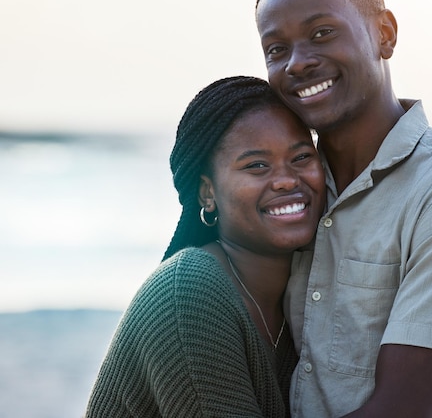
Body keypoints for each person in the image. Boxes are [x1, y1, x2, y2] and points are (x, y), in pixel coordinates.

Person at [255, 0, 432, 418]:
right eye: (276, 49)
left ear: (385, 33)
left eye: (322, 33)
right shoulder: (289, 194)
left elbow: (398, 411)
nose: (297, 63)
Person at [85, 76, 326, 417]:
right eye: (257, 165)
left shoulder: (308, 294)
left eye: (301, 157)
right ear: (207, 193)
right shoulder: (190, 293)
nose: (286, 179)